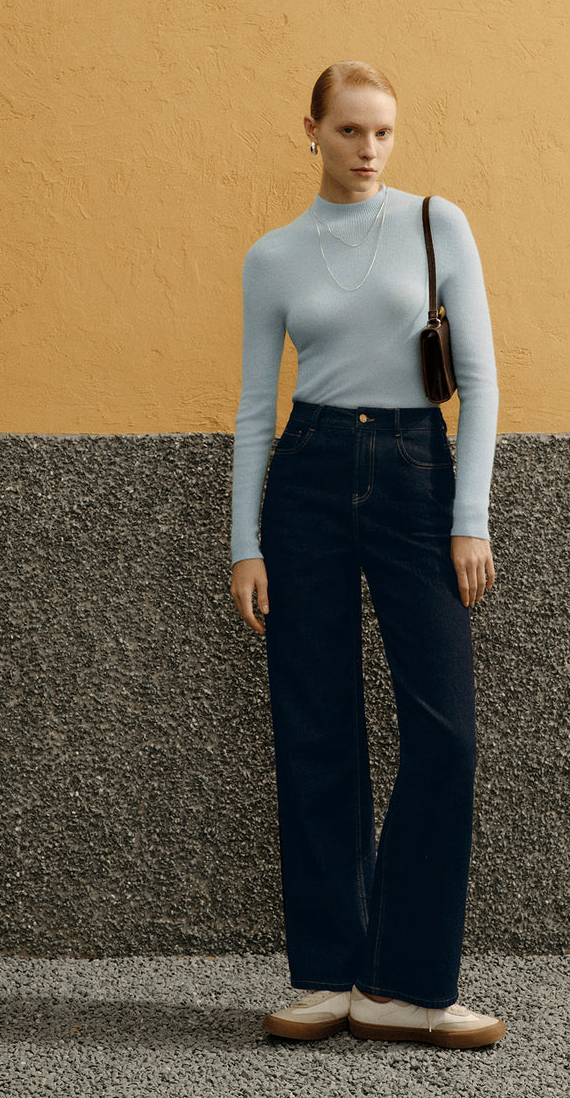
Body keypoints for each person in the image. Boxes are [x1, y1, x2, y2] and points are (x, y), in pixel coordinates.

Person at [230, 61, 503, 1049]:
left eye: (383, 132)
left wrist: (467, 517)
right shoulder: (273, 256)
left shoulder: (439, 224)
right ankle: (327, 973)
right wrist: (244, 541)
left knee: (445, 729)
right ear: (311, 130)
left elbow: (478, 377)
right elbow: (258, 405)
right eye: (349, 131)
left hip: (413, 470)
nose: (369, 151)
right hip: (306, 472)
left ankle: (408, 983)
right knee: (315, 722)